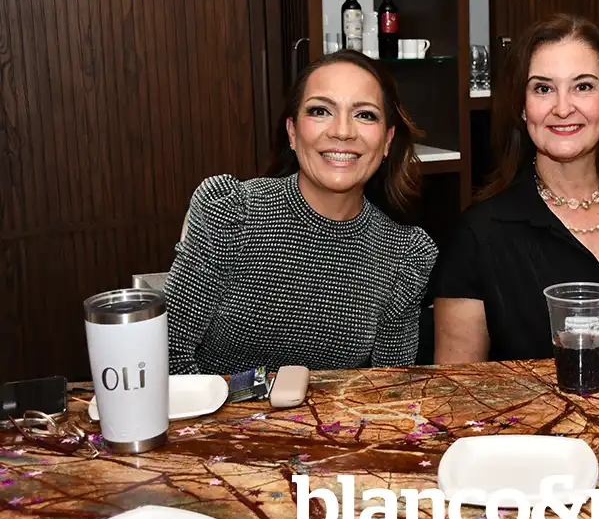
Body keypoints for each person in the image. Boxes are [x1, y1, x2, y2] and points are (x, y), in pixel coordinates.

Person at [431, 13, 599, 363]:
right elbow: (458, 388)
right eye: (543, 89)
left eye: (583, 86)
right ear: (522, 108)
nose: (562, 108)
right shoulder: (478, 236)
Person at [165, 50, 437, 374]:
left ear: (388, 140)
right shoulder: (232, 211)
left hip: (339, 410)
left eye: (365, 115)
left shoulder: (405, 254)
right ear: (292, 132)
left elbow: (389, 387)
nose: (343, 131)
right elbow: (167, 355)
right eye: (320, 111)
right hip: (211, 407)